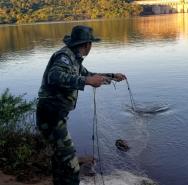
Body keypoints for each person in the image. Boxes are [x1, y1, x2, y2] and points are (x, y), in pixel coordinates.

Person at [36, 25, 126, 185]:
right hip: (50, 116)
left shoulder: (74, 59)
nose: (91, 46)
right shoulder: (64, 56)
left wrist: (113, 76)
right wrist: (86, 81)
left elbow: (89, 75)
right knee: (70, 164)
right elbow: (54, 76)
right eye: (91, 43)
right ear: (86, 45)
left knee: (59, 159)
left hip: (55, 116)